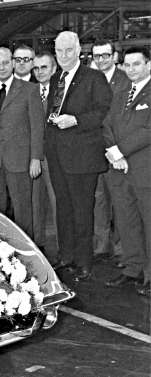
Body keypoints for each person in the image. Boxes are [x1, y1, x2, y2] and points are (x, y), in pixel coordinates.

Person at [44, 31, 112, 281]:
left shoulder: (94, 77)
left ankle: (84, 261)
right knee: (63, 207)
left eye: (68, 50)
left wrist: (76, 120)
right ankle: (67, 256)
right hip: (57, 154)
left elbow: (104, 111)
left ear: (79, 50)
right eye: (59, 51)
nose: (63, 56)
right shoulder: (56, 79)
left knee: (83, 210)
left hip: (82, 157)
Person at [0, 47, 45, 239]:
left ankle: (26, 251)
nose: (2, 67)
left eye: (5, 63)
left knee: (23, 210)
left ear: (13, 63)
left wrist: (35, 158)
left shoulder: (30, 90)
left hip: (20, 160)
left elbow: (37, 128)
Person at [102, 46, 150, 295]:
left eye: (136, 64)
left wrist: (120, 151)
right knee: (127, 222)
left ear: (148, 65)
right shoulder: (120, 93)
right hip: (120, 171)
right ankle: (133, 269)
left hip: (144, 171)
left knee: (149, 223)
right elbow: (107, 124)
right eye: (127, 65)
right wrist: (113, 152)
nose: (131, 69)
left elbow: (148, 130)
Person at [91, 39, 130, 263]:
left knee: (120, 202)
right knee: (99, 201)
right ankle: (101, 247)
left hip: (118, 151)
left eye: (105, 55)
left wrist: (118, 149)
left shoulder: (126, 80)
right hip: (94, 151)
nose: (101, 60)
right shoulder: (90, 79)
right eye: (97, 56)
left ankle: (122, 250)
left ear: (114, 56)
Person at [31, 51, 59, 256]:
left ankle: (61, 251)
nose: (39, 72)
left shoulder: (62, 92)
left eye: (44, 67)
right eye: (36, 68)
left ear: (54, 69)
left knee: (57, 205)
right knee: (35, 205)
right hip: (32, 158)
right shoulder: (29, 91)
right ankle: (38, 250)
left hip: (55, 158)